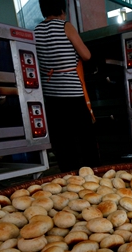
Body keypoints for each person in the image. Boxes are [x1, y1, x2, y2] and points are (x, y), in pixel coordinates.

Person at [34, 0, 99, 173]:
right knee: (85, 139)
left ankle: (69, 177)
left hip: (51, 93)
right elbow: (86, 55)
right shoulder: (65, 26)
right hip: (72, 92)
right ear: (62, 9)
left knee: (63, 141)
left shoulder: (36, 31)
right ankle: (92, 174)